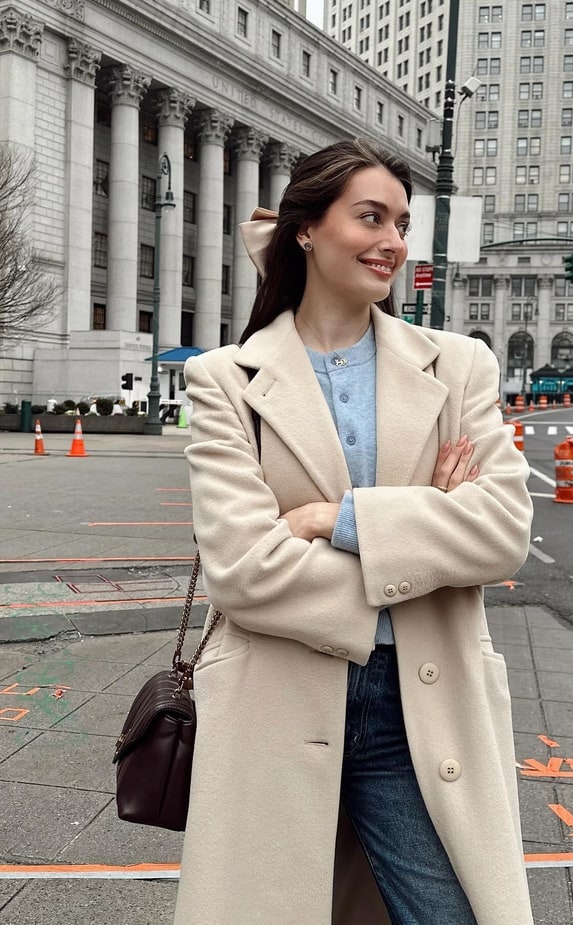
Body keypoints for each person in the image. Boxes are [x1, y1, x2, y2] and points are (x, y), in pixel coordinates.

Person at [175, 138, 534, 925]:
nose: (394, 243)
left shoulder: (458, 365)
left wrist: (335, 520)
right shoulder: (224, 381)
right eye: (370, 217)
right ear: (305, 229)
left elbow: (503, 531)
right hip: (276, 697)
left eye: (402, 223)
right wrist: (423, 532)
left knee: (453, 911)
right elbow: (242, 568)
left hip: (421, 701)